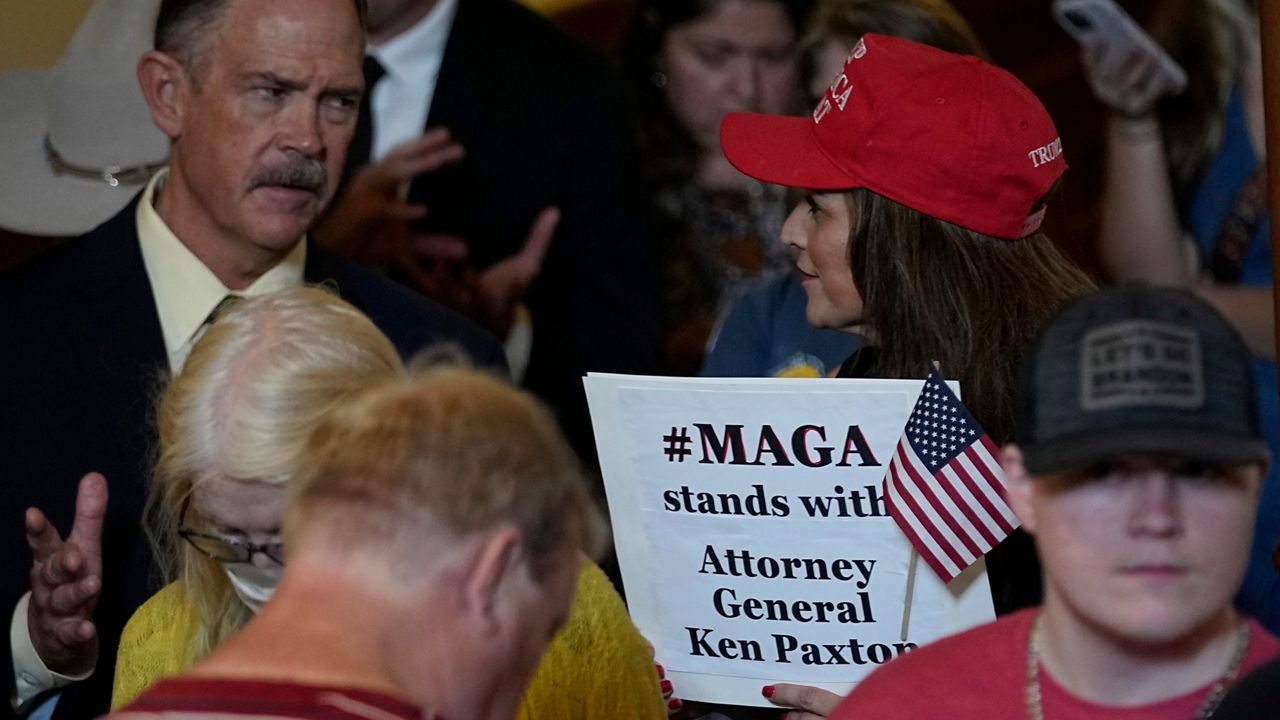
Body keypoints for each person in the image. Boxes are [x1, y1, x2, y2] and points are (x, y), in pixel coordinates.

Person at [1, 0, 503, 715]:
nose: (307, 138)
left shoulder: (439, 363)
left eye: (339, 101)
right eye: (271, 92)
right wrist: (37, 647)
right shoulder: (18, 339)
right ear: (168, 95)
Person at [110, 287, 666, 720]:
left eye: (288, 538)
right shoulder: (159, 641)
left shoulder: (556, 604)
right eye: (226, 535)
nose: (258, 570)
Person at [826, 284, 1280, 719]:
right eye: (1102, 472)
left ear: (1256, 482)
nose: (1156, 517)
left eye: (1198, 472)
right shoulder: (896, 706)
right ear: (1020, 489)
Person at [315, 0, 660, 458]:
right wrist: (323, 250)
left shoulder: (571, 86)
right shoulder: (245, 42)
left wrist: (498, 336)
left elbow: (617, 357)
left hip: (476, 464)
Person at [1084, 0, 1279, 633]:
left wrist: (1188, 300)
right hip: (1218, 425)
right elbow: (1142, 274)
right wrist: (1132, 117)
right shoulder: (1198, 50)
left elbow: (1163, 294)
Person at [700, 0, 986, 379]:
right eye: (830, 103)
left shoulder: (1021, 342)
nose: (845, 133)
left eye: (881, 109)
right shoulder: (763, 317)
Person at [621, 0, 812, 375]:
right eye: (714, 56)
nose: (746, 89)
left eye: (774, 57)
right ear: (657, 51)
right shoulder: (607, 157)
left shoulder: (839, 166)